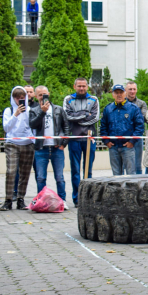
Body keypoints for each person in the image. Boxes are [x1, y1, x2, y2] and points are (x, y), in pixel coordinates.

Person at [29, 85, 70, 209]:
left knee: (59, 177)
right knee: (40, 177)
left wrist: (63, 144)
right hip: (41, 149)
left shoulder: (58, 109)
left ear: (49, 94)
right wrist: (42, 112)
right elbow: (33, 125)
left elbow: (66, 127)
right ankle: (41, 200)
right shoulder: (34, 110)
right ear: (36, 96)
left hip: (57, 148)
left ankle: (62, 200)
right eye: (40, 95)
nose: (43, 97)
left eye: (45, 94)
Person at [63, 77, 100, 207]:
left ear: (87, 87)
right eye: (79, 86)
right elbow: (67, 116)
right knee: (75, 170)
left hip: (89, 139)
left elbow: (95, 118)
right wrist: (85, 114)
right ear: (74, 87)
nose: (81, 88)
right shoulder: (68, 99)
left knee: (88, 170)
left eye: (84, 86)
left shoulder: (94, 99)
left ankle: (88, 197)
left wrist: (76, 116)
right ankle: (77, 198)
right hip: (74, 138)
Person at [0, 86, 35, 211]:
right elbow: (6, 128)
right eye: (17, 98)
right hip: (12, 143)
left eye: (22, 98)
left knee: (25, 173)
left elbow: (33, 126)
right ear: (13, 98)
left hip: (27, 143)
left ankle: (21, 199)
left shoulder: (30, 110)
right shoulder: (8, 111)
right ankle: (8, 200)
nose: (19, 100)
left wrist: (33, 140)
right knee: (11, 171)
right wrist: (16, 114)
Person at [101, 84, 144, 176]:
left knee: (131, 174)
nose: (119, 95)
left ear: (125, 93)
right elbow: (103, 126)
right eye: (116, 93)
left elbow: (140, 127)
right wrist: (106, 141)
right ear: (113, 94)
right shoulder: (108, 109)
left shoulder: (133, 108)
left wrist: (132, 141)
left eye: (121, 92)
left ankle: (131, 191)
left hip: (128, 147)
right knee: (116, 175)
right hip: (113, 147)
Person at [126, 81, 148, 175]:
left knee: (138, 164)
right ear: (126, 90)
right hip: (125, 137)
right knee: (125, 164)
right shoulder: (121, 103)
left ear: (136, 90)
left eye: (134, 89)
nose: (132, 91)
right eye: (130, 89)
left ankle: (139, 185)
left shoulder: (142, 103)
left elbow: (143, 118)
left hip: (137, 137)